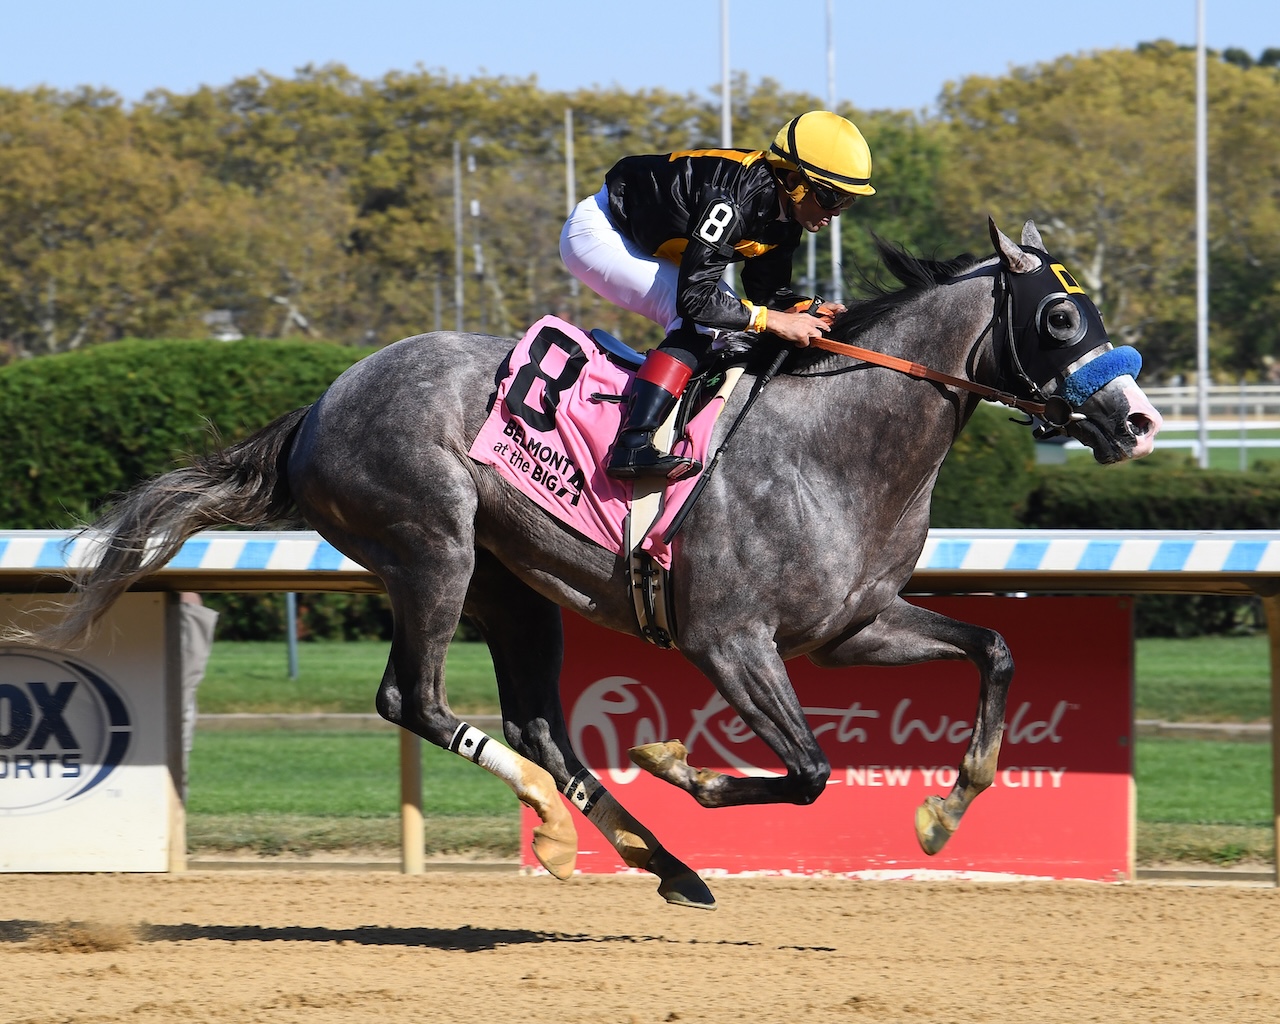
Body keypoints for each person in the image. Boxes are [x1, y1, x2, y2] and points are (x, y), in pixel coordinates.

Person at [560, 110, 875, 480]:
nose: (835, 212)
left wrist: (807, 309)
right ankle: (632, 443)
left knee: (730, 325)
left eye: (847, 202)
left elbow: (768, 294)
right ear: (793, 181)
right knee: (702, 324)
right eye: (830, 197)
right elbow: (695, 299)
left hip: (651, 242)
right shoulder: (731, 202)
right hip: (603, 232)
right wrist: (771, 319)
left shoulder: (787, 217)